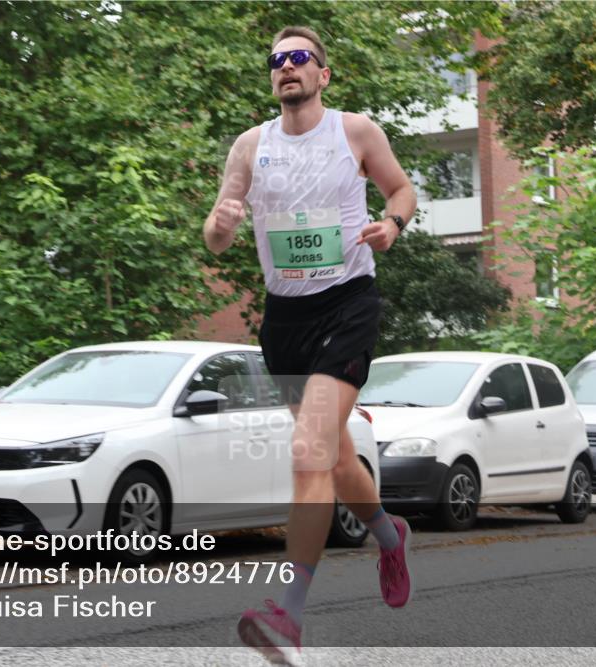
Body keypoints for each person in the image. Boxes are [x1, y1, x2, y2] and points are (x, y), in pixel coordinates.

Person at [202, 25, 417, 664]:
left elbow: (402, 190)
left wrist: (392, 225)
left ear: (323, 74)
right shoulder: (250, 146)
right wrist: (219, 223)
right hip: (285, 319)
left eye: (300, 58)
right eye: (278, 61)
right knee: (336, 457)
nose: (287, 68)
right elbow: (217, 235)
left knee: (306, 451)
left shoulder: (356, 132)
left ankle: (287, 616)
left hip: (348, 303)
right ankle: (389, 533)